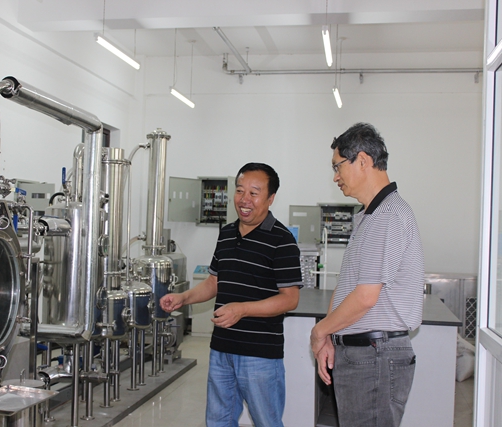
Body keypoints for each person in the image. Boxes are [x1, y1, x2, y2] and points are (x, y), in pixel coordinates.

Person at [160, 162, 302, 427]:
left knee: (267, 422)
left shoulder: (282, 240)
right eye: (239, 190)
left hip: (260, 354)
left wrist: (242, 309)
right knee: (218, 421)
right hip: (222, 348)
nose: (244, 199)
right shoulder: (226, 233)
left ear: (270, 198)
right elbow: (214, 282)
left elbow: (290, 298)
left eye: (254, 193)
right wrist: (183, 298)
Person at [310, 123, 424, 427]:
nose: (335, 177)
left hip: (375, 357)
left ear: (362, 160)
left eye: (337, 166)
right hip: (365, 355)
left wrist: (320, 331)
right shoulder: (369, 216)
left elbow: (364, 298)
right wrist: (331, 333)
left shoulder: (387, 215)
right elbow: (347, 287)